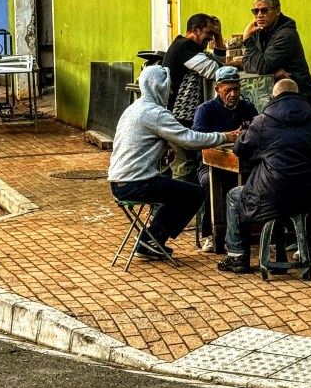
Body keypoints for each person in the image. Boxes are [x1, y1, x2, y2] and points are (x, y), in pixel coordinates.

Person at [108, 64, 239, 260]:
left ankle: (150, 239)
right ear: (159, 87)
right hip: (137, 182)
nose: (171, 92)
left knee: (177, 189)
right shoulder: (155, 113)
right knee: (194, 193)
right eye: (168, 87)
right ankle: (152, 239)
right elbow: (189, 139)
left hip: (119, 182)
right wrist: (225, 137)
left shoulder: (133, 109)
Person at [217, 79, 311, 274]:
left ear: (274, 96)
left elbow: (240, 148)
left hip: (273, 194)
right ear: (297, 95)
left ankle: (237, 256)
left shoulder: (263, 120)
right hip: (310, 194)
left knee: (234, 196)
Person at [192, 66, 258, 251]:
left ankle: (249, 230)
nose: (233, 94)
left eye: (236, 89)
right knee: (209, 182)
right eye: (228, 90)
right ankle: (212, 233)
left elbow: (259, 131)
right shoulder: (205, 110)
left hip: (242, 162)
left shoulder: (248, 108)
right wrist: (225, 136)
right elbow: (198, 137)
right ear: (217, 89)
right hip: (211, 164)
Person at [162, 13, 226, 181]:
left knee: (174, 167)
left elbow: (218, 60)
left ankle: (163, 206)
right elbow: (217, 71)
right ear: (195, 30)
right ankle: (178, 206)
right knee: (185, 166)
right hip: (179, 117)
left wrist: (218, 36)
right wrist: (239, 64)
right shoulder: (186, 47)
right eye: (208, 33)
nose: (209, 38)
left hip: (179, 117)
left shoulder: (190, 48)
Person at [241, 0, 311, 113]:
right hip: (280, 102)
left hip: (301, 100)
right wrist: (273, 71)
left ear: (277, 10)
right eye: (255, 11)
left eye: (264, 10)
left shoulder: (286, 35)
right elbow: (246, 61)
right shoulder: (259, 31)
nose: (259, 15)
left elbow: (262, 66)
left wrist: (247, 39)